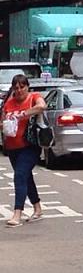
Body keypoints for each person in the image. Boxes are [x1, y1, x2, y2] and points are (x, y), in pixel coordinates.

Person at [0, 74, 46, 227]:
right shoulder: (8, 102)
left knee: (19, 175)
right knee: (26, 176)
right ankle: (37, 208)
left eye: (22, 87)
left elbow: (42, 106)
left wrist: (22, 114)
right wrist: (6, 125)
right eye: (16, 88)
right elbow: (2, 120)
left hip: (30, 146)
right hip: (12, 146)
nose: (19, 90)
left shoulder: (33, 98)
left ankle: (17, 213)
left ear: (27, 87)